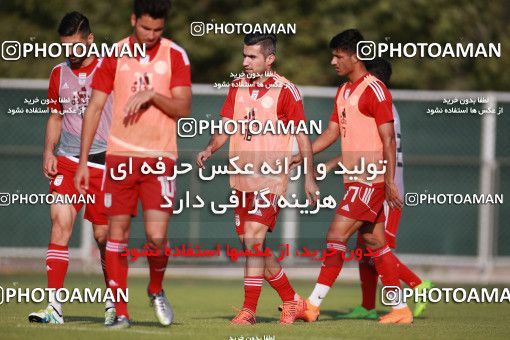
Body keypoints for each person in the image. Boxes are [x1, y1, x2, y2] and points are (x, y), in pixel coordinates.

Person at [74, 0, 191, 329]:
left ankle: (155, 289)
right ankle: (121, 311)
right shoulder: (114, 55)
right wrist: (84, 161)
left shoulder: (175, 55)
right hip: (120, 157)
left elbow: (183, 107)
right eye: (145, 28)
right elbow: (95, 107)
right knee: (116, 234)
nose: (151, 35)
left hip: (160, 158)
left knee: (156, 238)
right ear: (133, 20)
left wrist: (154, 95)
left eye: (158, 29)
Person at [196, 33, 319, 325]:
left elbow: (302, 136)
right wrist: (210, 147)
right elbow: (225, 127)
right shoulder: (236, 86)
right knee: (252, 245)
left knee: (253, 239)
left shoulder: (287, 90)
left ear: (269, 59)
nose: (245, 62)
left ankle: (248, 311)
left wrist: (309, 177)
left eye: (252, 57)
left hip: (271, 178)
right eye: (244, 56)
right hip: (241, 178)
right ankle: (293, 301)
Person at [300, 29, 413, 324]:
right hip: (355, 178)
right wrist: (302, 153)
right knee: (375, 244)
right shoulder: (343, 91)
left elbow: (388, 140)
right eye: (333, 55)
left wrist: (388, 181)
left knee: (336, 236)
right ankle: (400, 310)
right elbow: (332, 133)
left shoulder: (375, 89)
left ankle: (311, 306)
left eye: (338, 56)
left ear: (356, 56)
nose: (333, 61)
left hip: (370, 179)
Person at [325, 58, 433, 320]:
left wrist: (387, 185)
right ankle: (368, 306)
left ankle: (419, 285)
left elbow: (376, 149)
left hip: (385, 190)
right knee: (365, 250)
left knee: (376, 249)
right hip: (371, 183)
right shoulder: (381, 107)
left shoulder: (380, 107)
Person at [28, 11, 115, 326]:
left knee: (104, 237)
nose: (71, 53)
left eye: (77, 46)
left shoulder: (111, 68)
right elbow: (55, 116)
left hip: (104, 162)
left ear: (90, 40)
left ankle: (113, 304)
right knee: (59, 223)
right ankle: (54, 308)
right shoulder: (58, 73)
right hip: (66, 160)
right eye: (66, 47)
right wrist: (48, 152)